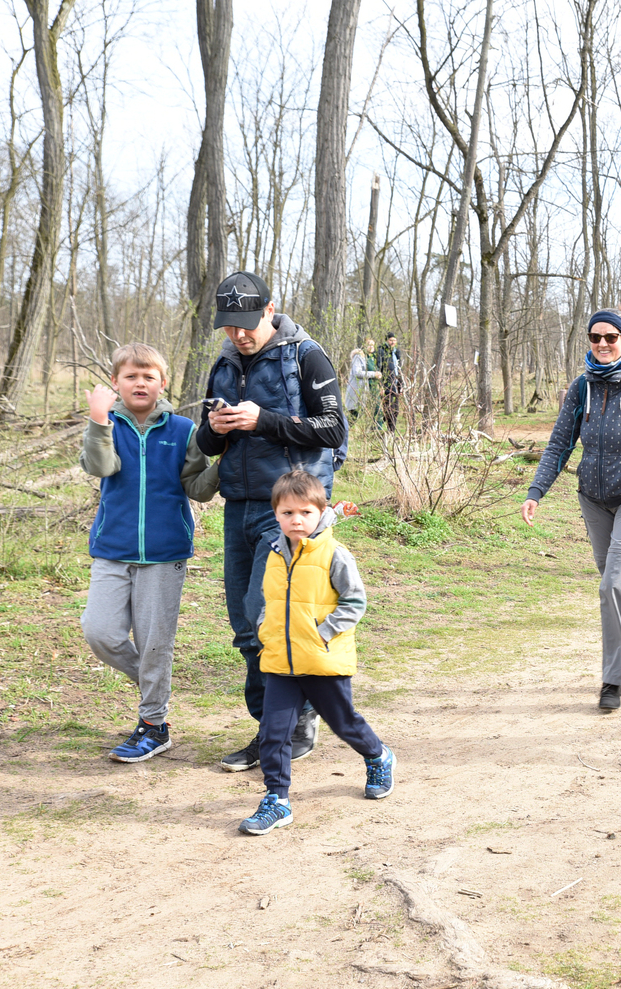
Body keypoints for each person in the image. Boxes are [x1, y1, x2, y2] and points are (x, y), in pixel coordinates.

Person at [196, 270, 348, 772]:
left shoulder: (306, 355)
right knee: (243, 627)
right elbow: (208, 443)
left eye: (246, 324)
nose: (238, 335)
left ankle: (290, 727)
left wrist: (264, 420)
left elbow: (332, 427)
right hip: (236, 505)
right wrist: (214, 429)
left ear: (268, 310)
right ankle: (268, 728)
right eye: (229, 326)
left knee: (269, 621)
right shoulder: (222, 363)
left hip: (287, 512)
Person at [522, 309, 621, 710]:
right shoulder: (581, 387)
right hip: (592, 497)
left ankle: (614, 680)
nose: (603, 344)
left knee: (613, 585)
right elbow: (559, 443)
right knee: (617, 586)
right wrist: (536, 491)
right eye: (595, 337)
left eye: (611, 337)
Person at [79, 344, 220, 762]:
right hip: (113, 549)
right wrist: (98, 420)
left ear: (163, 383)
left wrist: (224, 462)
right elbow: (100, 467)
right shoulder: (107, 425)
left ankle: (154, 725)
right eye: (130, 376)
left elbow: (198, 488)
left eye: (148, 377)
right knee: (99, 631)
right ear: (115, 383)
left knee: (156, 642)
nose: (140, 383)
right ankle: (154, 685)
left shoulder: (182, 430)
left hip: (164, 552)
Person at [238, 470, 395, 835]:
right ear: (275, 513)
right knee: (273, 734)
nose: (296, 520)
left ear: (321, 512)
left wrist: (322, 634)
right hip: (280, 661)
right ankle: (277, 800)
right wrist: (266, 630)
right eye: (287, 513)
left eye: (305, 513)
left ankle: (378, 755)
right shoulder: (275, 554)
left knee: (345, 723)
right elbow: (270, 602)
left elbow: (355, 602)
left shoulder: (335, 554)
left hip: (323, 660)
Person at [344, 340, 380, 419]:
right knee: (353, 415)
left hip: (362, 392)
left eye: (372, 345)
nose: (371, 347)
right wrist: (374, 374)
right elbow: (358, 373)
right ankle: (341, 430)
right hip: (356, 390)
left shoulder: (369, 358)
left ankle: (342, 429)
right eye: (369, 345)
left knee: (357, 415)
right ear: (364, 346)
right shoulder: (358, 357)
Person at [375, 332, 404, 431]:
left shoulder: (396, 352)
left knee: (396, 410)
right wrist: (380, 385)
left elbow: (399, 370)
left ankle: (391, 431)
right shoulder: (382, 351)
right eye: (391, 340)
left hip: (395, 385)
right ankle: (385, 429)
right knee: (389, 409)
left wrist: (401, 385)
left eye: (394, 340)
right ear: (387, 341)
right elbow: (379, 368)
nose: (393, 342)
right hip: (387, 385)